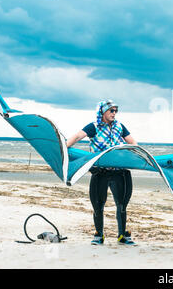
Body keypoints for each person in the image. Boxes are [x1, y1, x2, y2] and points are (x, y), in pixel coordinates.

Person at [67, 99, 137, 245]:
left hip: (119, 171)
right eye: (111, 110)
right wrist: (63, 148)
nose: (114, 113)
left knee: (122, 205)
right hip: (100, 172)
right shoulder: (94, 127)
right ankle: (99, 235)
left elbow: (133, 143)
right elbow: (77, 137)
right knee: (98, 205)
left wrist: (128, 154)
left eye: (116, 111)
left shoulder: (119, 126)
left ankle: (122, 235)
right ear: (102, 111)